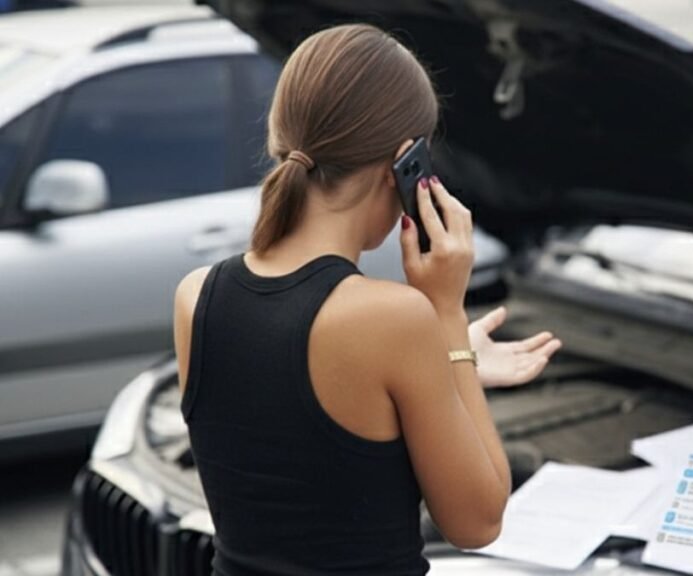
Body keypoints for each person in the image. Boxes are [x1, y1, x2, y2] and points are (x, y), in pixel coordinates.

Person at [172, 24, 561, 575]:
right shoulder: (394, 319)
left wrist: (445, 360)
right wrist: (447, 318)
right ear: (406, 165)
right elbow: (477, 522)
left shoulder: (197, 296)